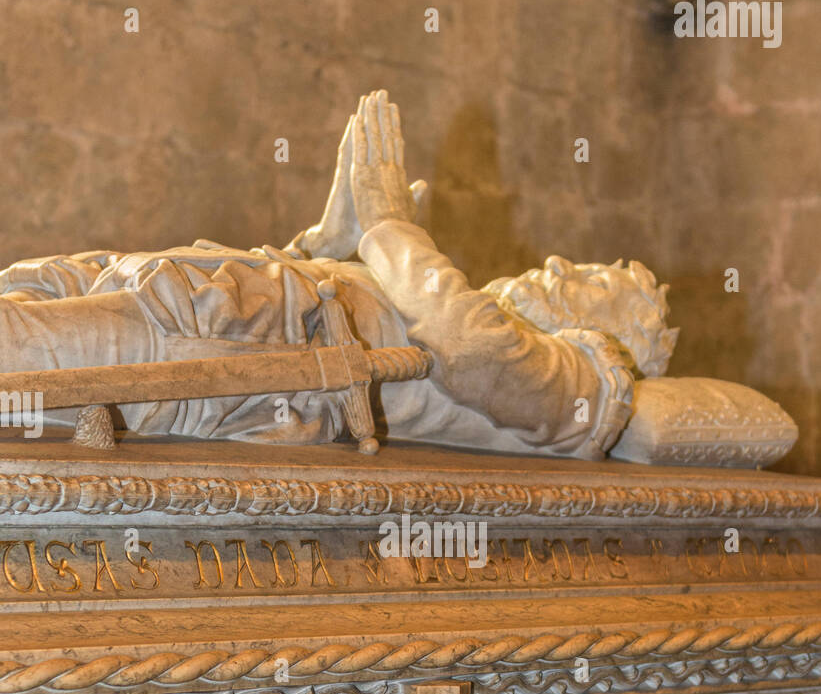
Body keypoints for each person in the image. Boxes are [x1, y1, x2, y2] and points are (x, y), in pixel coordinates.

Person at [0, 92, 682, 456]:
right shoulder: (431, 284)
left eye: (596, 282)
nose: (560, 266)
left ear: (617, 339)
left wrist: (390, 227)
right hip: (201, 295)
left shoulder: (590, 389)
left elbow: (474, 354)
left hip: (214, 351)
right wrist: (334, 241)